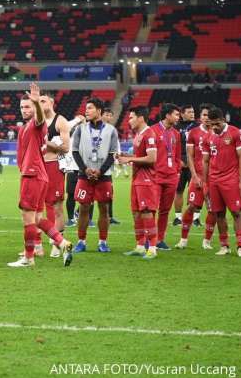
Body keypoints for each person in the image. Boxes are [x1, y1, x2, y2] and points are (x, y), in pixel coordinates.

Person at [7, 84, 73, 268]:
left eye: (28, 106)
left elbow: (40, 119)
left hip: (32, 174)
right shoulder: (26, 127)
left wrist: (36, 103)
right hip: (38, 174)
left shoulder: (38, 124)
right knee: (36, 218)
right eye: (22, 107)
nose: (24, 110)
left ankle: (29, 258)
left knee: (27, 218)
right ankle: (62, 243)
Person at [72, 98, 119, 253]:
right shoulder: (80, 129)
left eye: (90, 108)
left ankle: (102, 242)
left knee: (104, 208)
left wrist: (101, 170)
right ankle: (81, 241)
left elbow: (113, 154)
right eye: (86, 108)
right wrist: (85, 169)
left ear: (99, 111)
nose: (87, 111)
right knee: (84, 207)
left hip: (103, 175)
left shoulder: (111, 130)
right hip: (84, 175)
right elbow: (75, 151)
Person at [202, 107, 241, 257]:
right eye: (211, 125)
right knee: (218, 214)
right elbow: (206, 161)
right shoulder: (209, 137)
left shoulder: (235, 132)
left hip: (231, 180)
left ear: (223, 120)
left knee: (236, 212)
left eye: (217, 124)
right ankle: (224, 246)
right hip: (214, 180)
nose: (214, 128)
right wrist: (205, 182)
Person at [120, 107, 159, 259]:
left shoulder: (149, 134)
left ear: (141, 118)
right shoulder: (138, 135)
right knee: (136, 213)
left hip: (146, 179)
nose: (129, 120)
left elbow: (152, 158)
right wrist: (127, 155)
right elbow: (140, 156)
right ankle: (140, 246)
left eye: (131, 117)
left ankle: (153, 248)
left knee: (146, 212)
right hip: (137, 178)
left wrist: (129, 159)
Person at [175, 104, 216, 249]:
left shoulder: (218, 133)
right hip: (197, 176)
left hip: (214, 178)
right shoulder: (193, 133)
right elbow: (190, 157)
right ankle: (183, 240)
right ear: (200, 117)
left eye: (209, 115)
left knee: (213, 210)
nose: (207, 118)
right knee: (191, 206)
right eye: (204, 115)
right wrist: (194, 175)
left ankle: (207, 241)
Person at [150, 103, 182, 250]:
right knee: (151, 209)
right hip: (156, 176)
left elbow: (177, 155)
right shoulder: (152, 131)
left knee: (164, 210)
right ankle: (149, 239)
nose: (178, 117)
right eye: (176, 114)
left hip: (171, 177)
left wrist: (176, 171)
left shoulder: (176, 133)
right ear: (167, 115)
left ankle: (159, 239)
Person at [40, 92, 70, 242]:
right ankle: (36, 244)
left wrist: (47, 143)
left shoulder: (60, 121)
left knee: (57, 205)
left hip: (54, 165)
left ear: (51, 102)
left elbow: (65, 147)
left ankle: (59, 242)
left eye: (43, 101)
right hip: (39, 166)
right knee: (38, 205)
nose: (40, 104)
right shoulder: (37, 121)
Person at [173, 105, 197, 226]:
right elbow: (172, 147)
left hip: (195, 164)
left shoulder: (198, 127)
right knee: (179, 191)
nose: (192, 114)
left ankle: (195, 217)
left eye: (193, 112)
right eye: (189, 112)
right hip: (180, 165)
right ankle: (178, 217)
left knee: (196, 191)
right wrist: (178, 161)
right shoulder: (175, 127)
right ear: (182, 114)